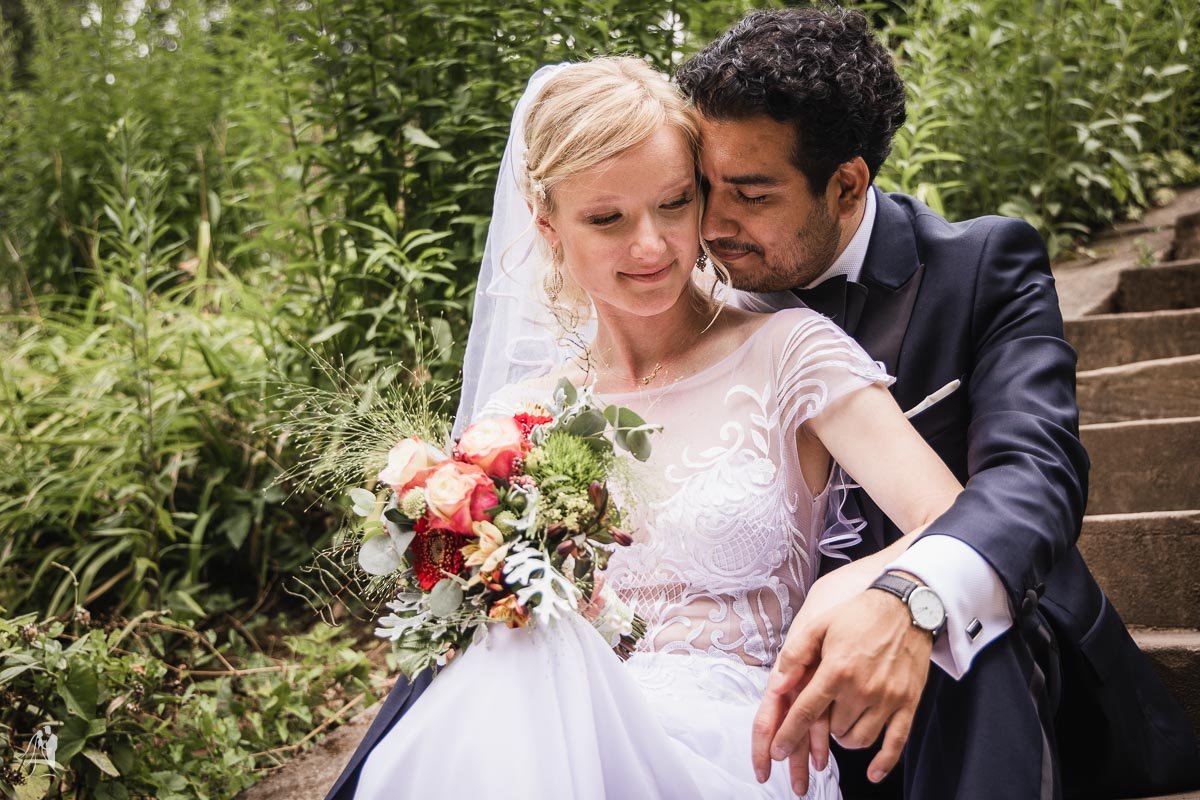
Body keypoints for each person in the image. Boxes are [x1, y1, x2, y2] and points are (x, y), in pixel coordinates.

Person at [334, 56, 964, 800]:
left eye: (674, 203)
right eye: (607, 218)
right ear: (548, 225)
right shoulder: (516, 416)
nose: (653, 246)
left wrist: (863, 588)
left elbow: (951, 514)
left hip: (738, 743)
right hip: (550, 729)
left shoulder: (789, 353)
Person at [672, 7, 1200, 800]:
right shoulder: (682, 296)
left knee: (957, 627)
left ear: (847, 183)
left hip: (982, 676)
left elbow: (1036, 476)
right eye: (701, 190)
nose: (712, 225)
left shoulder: (982, 265)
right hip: (763, 681)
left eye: (751, 194)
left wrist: (912, 592)